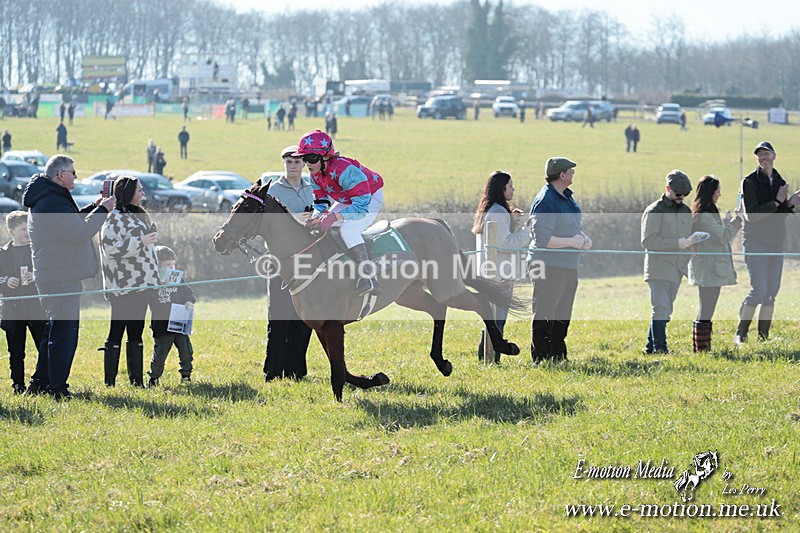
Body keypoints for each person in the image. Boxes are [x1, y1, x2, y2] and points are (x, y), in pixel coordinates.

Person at [23, 155, 116, 399]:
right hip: (59, 277)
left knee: (53, 333)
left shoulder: (49, 197)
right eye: (72, 172)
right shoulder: (51, 201)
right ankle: (57, 389)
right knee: (63, 336)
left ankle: (39, 384)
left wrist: (95, 208)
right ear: (60, 175)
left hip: (55, 274)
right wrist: (103, 211)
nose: (75, 176)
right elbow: (79, 232)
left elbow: (69, 223)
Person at [293, 129, 384, 296]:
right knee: (320, 226)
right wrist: (316, 217)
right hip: (347, 200)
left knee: (348, 230)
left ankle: (370, 278)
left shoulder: (345, 170)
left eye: (312, 159)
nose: (308, 164)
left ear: (326, 156)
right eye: (305, 159)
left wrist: (334, 216)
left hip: (369, 199)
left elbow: (361, 207)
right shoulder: (315, 175)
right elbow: (321, 203)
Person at [734, 141, 800, 344]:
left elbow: (780, 215)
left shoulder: (780, 181)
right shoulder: (749, 181)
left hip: (776, 243)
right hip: (755, 243)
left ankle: (763, 336)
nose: (763, 158)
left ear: (774, 156)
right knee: (759, 290)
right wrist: (778, 202)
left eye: (766, 154)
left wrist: (790, 204)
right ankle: (740, 333)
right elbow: (752, 216)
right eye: (759, 155)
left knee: (771, 293)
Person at [527, 158, 590, 363]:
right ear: (561, 175)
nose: (573, 174)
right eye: (570, 171)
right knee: (545, 312)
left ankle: (558, 355)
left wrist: (582, 238)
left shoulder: (567, 198)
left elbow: (570, 227)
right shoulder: (545, 201)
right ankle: (541, 358)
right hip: (547, 265)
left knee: (563, 312)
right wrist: (572, 241)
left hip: (568, 265)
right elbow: (543, 240)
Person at [98, 176, 160, 387]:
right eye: (139, 190)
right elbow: (111, 249)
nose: (142, 193)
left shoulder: (140, 215)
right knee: (116, 331)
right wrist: (140, 241)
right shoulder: (113, 218)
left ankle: (137, 381)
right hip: (123, 286)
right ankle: (110, 382)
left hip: (143, 284)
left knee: (136, 331)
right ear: (128, 192)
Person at [262, 145, 314, 381]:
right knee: (279, 315)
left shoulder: (313, 189)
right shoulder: (273, 190)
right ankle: (273, 371)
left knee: (303, 317)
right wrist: (294, 219)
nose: (293, 166)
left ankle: (296, 371)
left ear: (304, 164)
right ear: (283, 163)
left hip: (307, 259)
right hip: (279, 260)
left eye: (297, 162)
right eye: (289, 162)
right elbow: (266, 224)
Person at [472, 170, 531, 363]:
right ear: (502, 188)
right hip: (499, 273)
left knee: (493, 317)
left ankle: (487, 357)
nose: (513, 189)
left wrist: (512, 221)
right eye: (510, 186)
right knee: (498, 319)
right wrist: (527, 232)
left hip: (490, 271)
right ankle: (491, 358)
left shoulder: (492, 210)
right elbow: (506, 244)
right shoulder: (497, 212)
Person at [641, 170, 694, 354]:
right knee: (661, 308)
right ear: (667, 189)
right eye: (678, 194)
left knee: (666, 310)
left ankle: (649, 348)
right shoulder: (654, 210)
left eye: (685, 194)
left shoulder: (687, 211)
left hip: (677, 268)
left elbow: (686, 238)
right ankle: (660, 350)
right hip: (658, 268)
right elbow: (648, 241)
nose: (681, 198)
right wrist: (677, 243)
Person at [688, 175, 742, 351]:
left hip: (709, 268)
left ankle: (701, 347)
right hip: (709, 269)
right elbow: (724, 236)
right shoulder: (704, 216)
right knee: (707, 307)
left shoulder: (707, 213)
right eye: (718, 190)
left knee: (707, 306)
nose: (720, 194)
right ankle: (702, 348)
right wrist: (736, 223)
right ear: (711, 192)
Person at [0, 211, 47, 394]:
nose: (27, 232)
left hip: (36, 307)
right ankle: (17, 384)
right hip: (13, 309)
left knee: (43, 346)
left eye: (29, 228)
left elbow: (48, 272)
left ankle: (42, 382)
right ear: (11, 231)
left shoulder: (37, 250)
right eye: (22, 229)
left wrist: (36, 276)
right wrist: (5, 281)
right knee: (16, 351)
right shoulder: (3, 253)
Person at [147, 246, 195, 386]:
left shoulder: (178, 279)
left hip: (179, 322)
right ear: (158, 265)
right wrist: (160, 285)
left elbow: (188, 293)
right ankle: (154, 378)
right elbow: (147, 297)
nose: (172, 267)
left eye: (173, 264)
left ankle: (186, 376)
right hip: (162, 325)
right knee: (160, 354)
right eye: (168, 265)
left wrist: (188, 301)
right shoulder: (152, 281)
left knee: (186, 352)